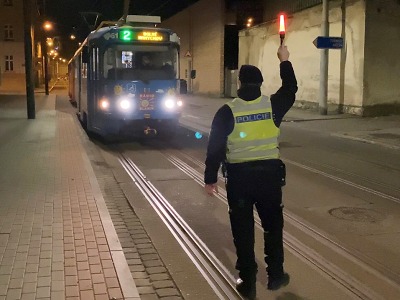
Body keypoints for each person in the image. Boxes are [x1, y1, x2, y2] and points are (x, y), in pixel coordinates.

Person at [204, 44, 297, 299]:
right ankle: (276, 276)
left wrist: (210, 179)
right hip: (269, 179)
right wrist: (284, 60)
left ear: (240, 83)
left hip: (240, 181)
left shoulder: (227, 112)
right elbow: (290, 89)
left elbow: (214, 149)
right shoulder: (272, 106)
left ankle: (248, 283)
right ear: (260, 84)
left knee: (243, 232)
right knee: (273, 228)